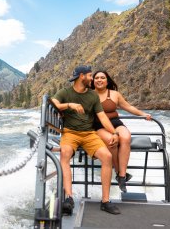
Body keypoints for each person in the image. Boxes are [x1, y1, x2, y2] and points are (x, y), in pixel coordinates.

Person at [52, 65, 121, 215]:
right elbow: (53, 103)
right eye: (90, 76)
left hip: (89, 134)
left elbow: (102, 117)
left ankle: (105, 201)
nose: (92, 79)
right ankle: (69, 198)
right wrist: (70, 104)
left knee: (107, 156)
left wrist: (114, 132)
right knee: (65, 153)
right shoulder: (65, 92)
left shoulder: (92, 96)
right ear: (81, 76)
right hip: (70, 133)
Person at [91, 70, 152, 192]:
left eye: (102, 77)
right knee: (111, 141)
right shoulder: (89, 95)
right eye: (96, 78)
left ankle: (122, 176)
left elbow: (128, 107)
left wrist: (143, 114)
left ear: (107, 80)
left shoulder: (114, 94)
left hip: (115, 123)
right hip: (98, 126)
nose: (99, 80)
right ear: (93, 81)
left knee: (126, 136)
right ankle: (119, 172)